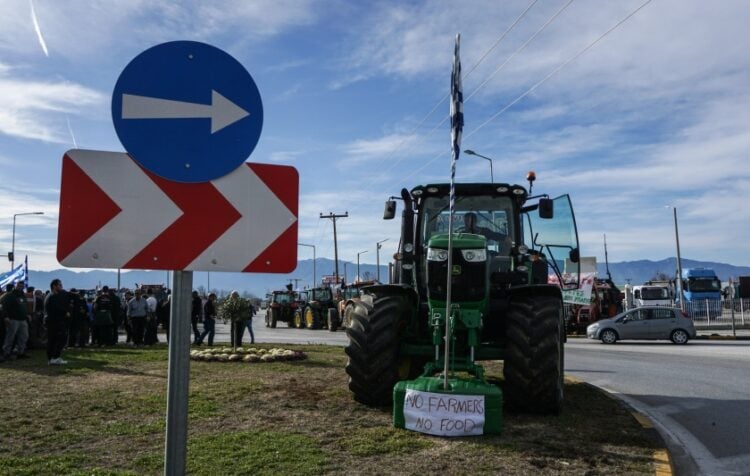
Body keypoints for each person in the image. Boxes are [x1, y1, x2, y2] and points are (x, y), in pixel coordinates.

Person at [44, 279, 71, 365]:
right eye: (59, 285)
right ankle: (54, 358)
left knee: (55, 340)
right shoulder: (52, 296)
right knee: (58, 339)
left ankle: (53, 358)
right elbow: (56, 308)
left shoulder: (52, 295)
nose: (61, 286)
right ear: (54, 286)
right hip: (54, 322)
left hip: (54, 321)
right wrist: (65, 312)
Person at [2, 282, 30, 360]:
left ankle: (21, 352)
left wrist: (27, 314)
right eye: (19, 286)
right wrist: (6, 316)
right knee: (10, 337)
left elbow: (24, 305)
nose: (20, 287)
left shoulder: (23, 295)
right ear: (16, 286)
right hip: (13, 319)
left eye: (22, 286)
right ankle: (6, 353)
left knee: (24, 336)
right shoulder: (10, 295)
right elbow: (5, 306)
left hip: (23, 319)